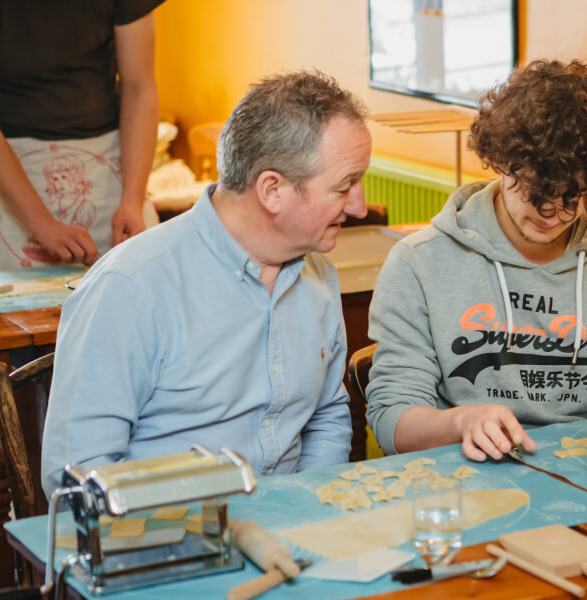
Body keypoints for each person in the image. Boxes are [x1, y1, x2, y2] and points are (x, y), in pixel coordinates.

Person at [41, 70, 372, 497]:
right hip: (165, 544)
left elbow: (326, 415)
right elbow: (78, 478)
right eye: (345, 186)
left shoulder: (318, 273)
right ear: (272, 190)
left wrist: (305, 512)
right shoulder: (129, 288)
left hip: (288, 539)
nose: (360, 206)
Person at [366, 59, 587, 463]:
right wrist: (462, 422)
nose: (550, 213)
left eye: (571, 197)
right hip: (463, 479)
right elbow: (392, 423)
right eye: (536, 191)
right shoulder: (418, 263)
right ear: (504, 161)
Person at [0, 0, 162, 269]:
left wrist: (132, 199)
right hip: (8, 168)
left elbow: (139, 88)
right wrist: (42, 225)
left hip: (108, 170)